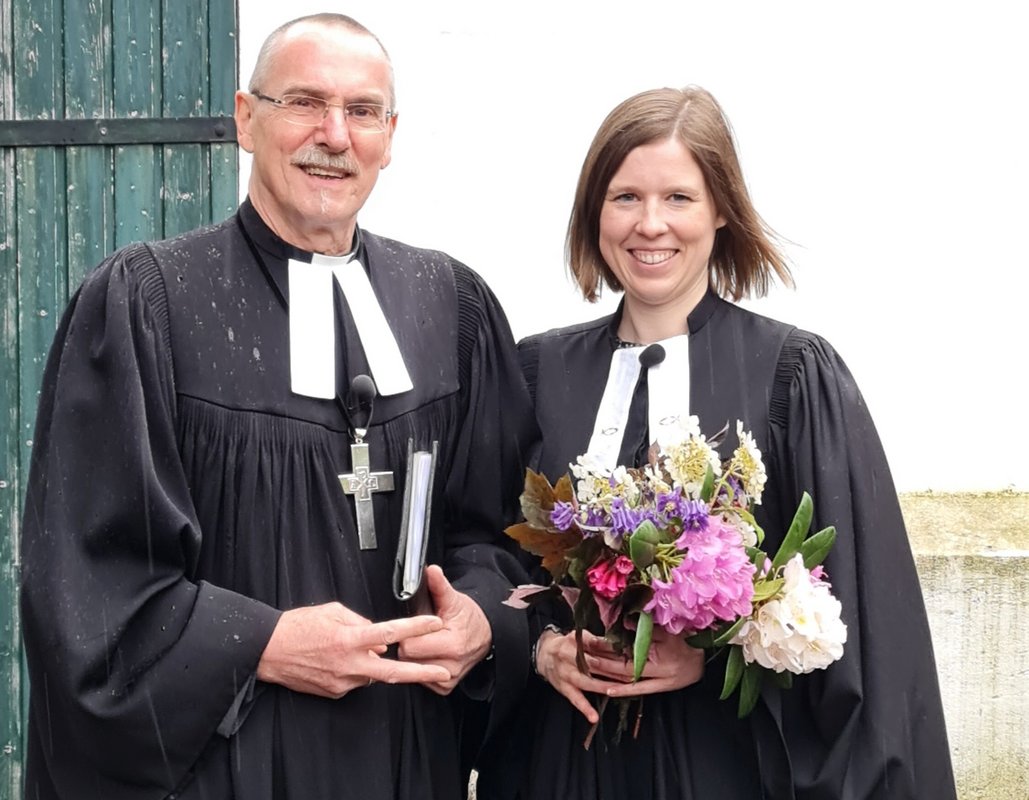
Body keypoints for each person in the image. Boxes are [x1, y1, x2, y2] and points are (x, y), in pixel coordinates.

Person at [20, 13, 536, 800]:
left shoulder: (450, 306)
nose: (334, 135)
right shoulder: (149, 303)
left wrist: (480, 619)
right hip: (230, 768)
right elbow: (91, 582)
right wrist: (260, 642)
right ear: (244, 119)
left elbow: (498, 532)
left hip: (406, 760)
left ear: (390, 136)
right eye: (303, 102)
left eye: (362, 111)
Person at [474, 86, 956, 799]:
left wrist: (716, 651)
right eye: (625, 197)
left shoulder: (792, 376)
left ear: (721, 209)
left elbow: (863, 623)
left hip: (725, 765)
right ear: (594, 211)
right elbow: (482, 553)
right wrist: (542, 648)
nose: (650, 224)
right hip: (559, 765)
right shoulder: (535, 372)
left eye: (678, 197)